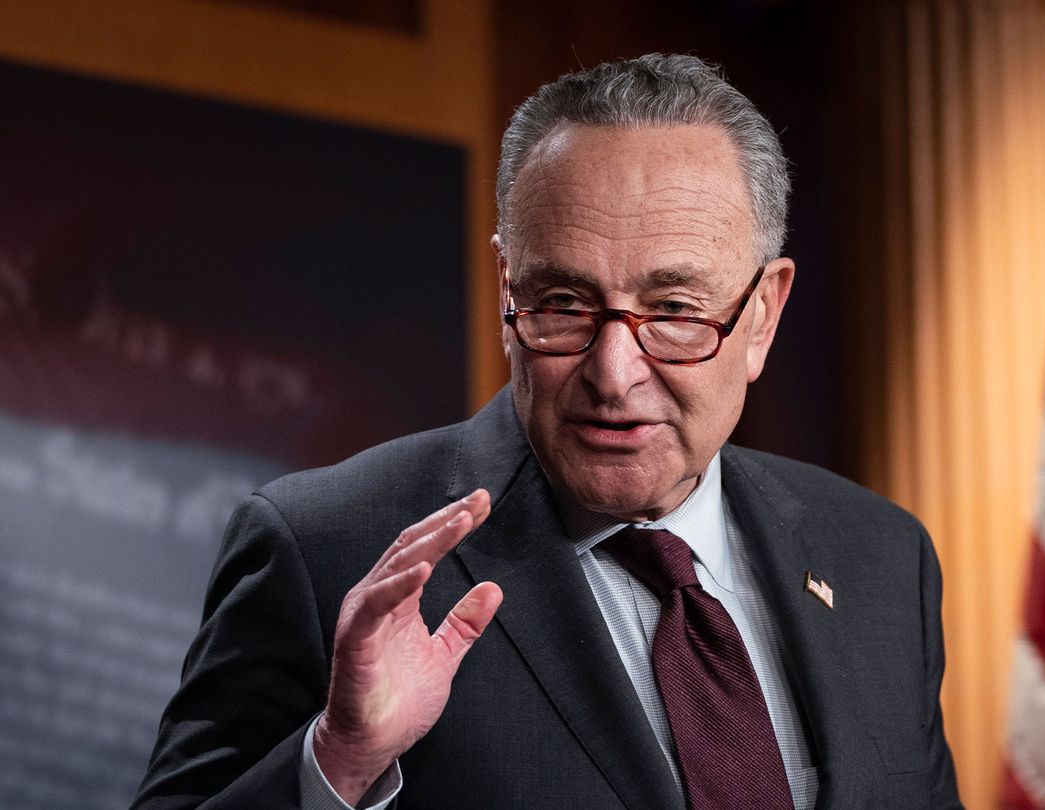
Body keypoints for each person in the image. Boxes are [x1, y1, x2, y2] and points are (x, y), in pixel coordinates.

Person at [135, 53, 961, 809]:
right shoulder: (327, 548)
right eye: (563, 303)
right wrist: (338, 761)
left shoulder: (881, 558)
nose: (613, 371)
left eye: (673, 312)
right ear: (507, 288)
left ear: (764, 315)